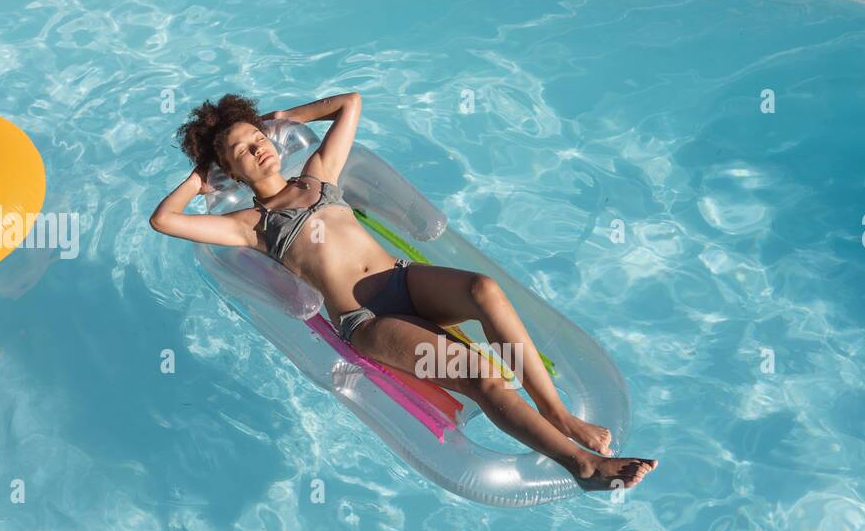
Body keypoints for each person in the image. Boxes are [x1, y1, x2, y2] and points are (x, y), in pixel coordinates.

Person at [150, 92, 656, 491]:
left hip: (402, 278)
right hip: (366, 319)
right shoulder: (249, 224)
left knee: (483, 289)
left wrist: (286, 117)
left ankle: (558, 413)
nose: (256, 146)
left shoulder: (316, 177)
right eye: (240, 150)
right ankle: (583, 466)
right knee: (476, 375)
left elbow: (350, 103)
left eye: (255, 136)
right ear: (233, 172)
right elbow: (164, 220)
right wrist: (201, 177)